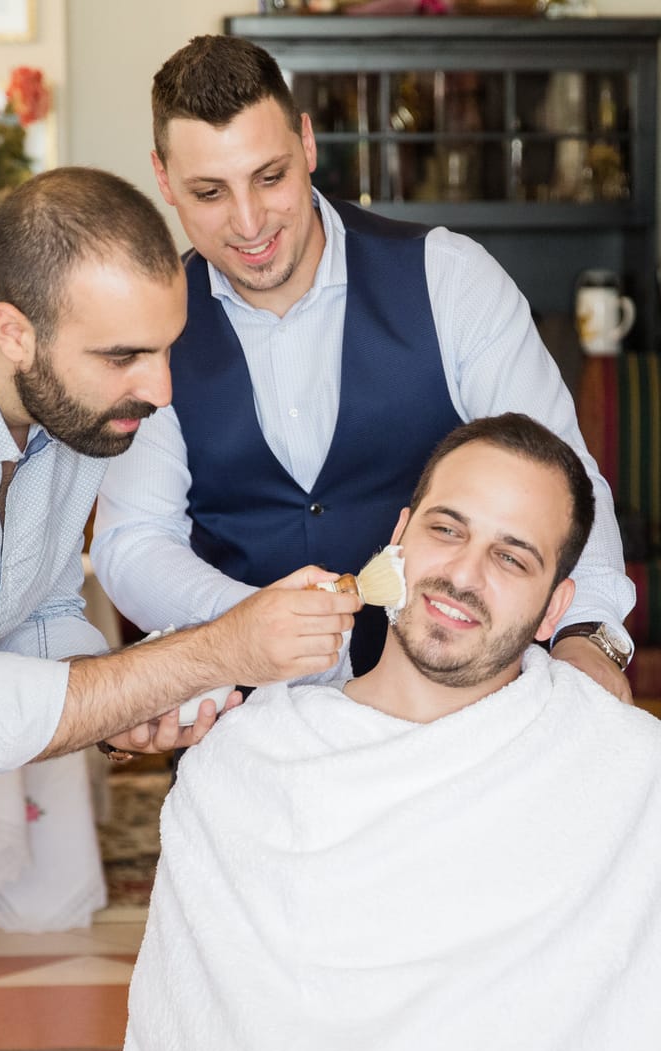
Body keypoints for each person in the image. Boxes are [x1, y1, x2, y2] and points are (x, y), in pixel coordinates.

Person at [0, 166, 360, 1051]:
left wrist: (119, 697)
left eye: (166, 348)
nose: (161, 387)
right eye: (125, 356)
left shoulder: (69, 407)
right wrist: (215, 648)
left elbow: (36, 618)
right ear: (13, 331)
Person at [122, 414, 661, 1051]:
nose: (463, 574)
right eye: (447, 530)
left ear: (556, 609)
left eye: (513, 557)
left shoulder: (622, 771)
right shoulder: (250, 763)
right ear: (399, 538)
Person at [91, 33, 635, 698]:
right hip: (246, 726)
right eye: (209, 192)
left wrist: (589, 635)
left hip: (452, 710)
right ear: (163, 179)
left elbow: (563, 479)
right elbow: (133, 540)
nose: (249, 221)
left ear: (308, 145)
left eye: (271, 176)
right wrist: (246, 624)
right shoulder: (152, 334)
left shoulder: (449, 279)